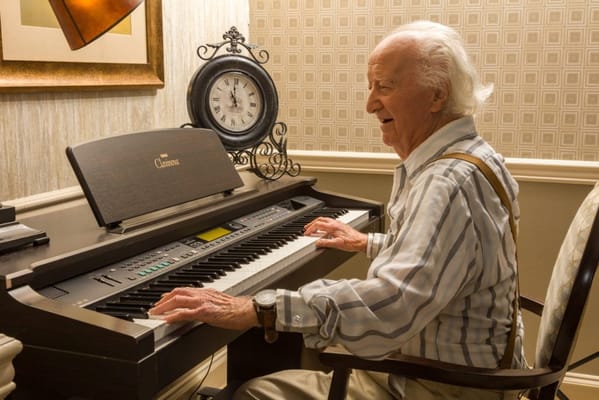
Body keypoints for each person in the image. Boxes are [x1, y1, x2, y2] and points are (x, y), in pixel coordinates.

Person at [149, 20, 526, 399]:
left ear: (436, 96)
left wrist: (260, 309)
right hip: (466, 363)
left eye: (384, 86)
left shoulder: (446, 183)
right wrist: (370, 243)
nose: (369, 104)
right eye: (370, 87)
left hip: (438, 385)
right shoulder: (475, 158)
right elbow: (443, 257)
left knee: (254, 391)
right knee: (307, 341)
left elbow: (393, 305)